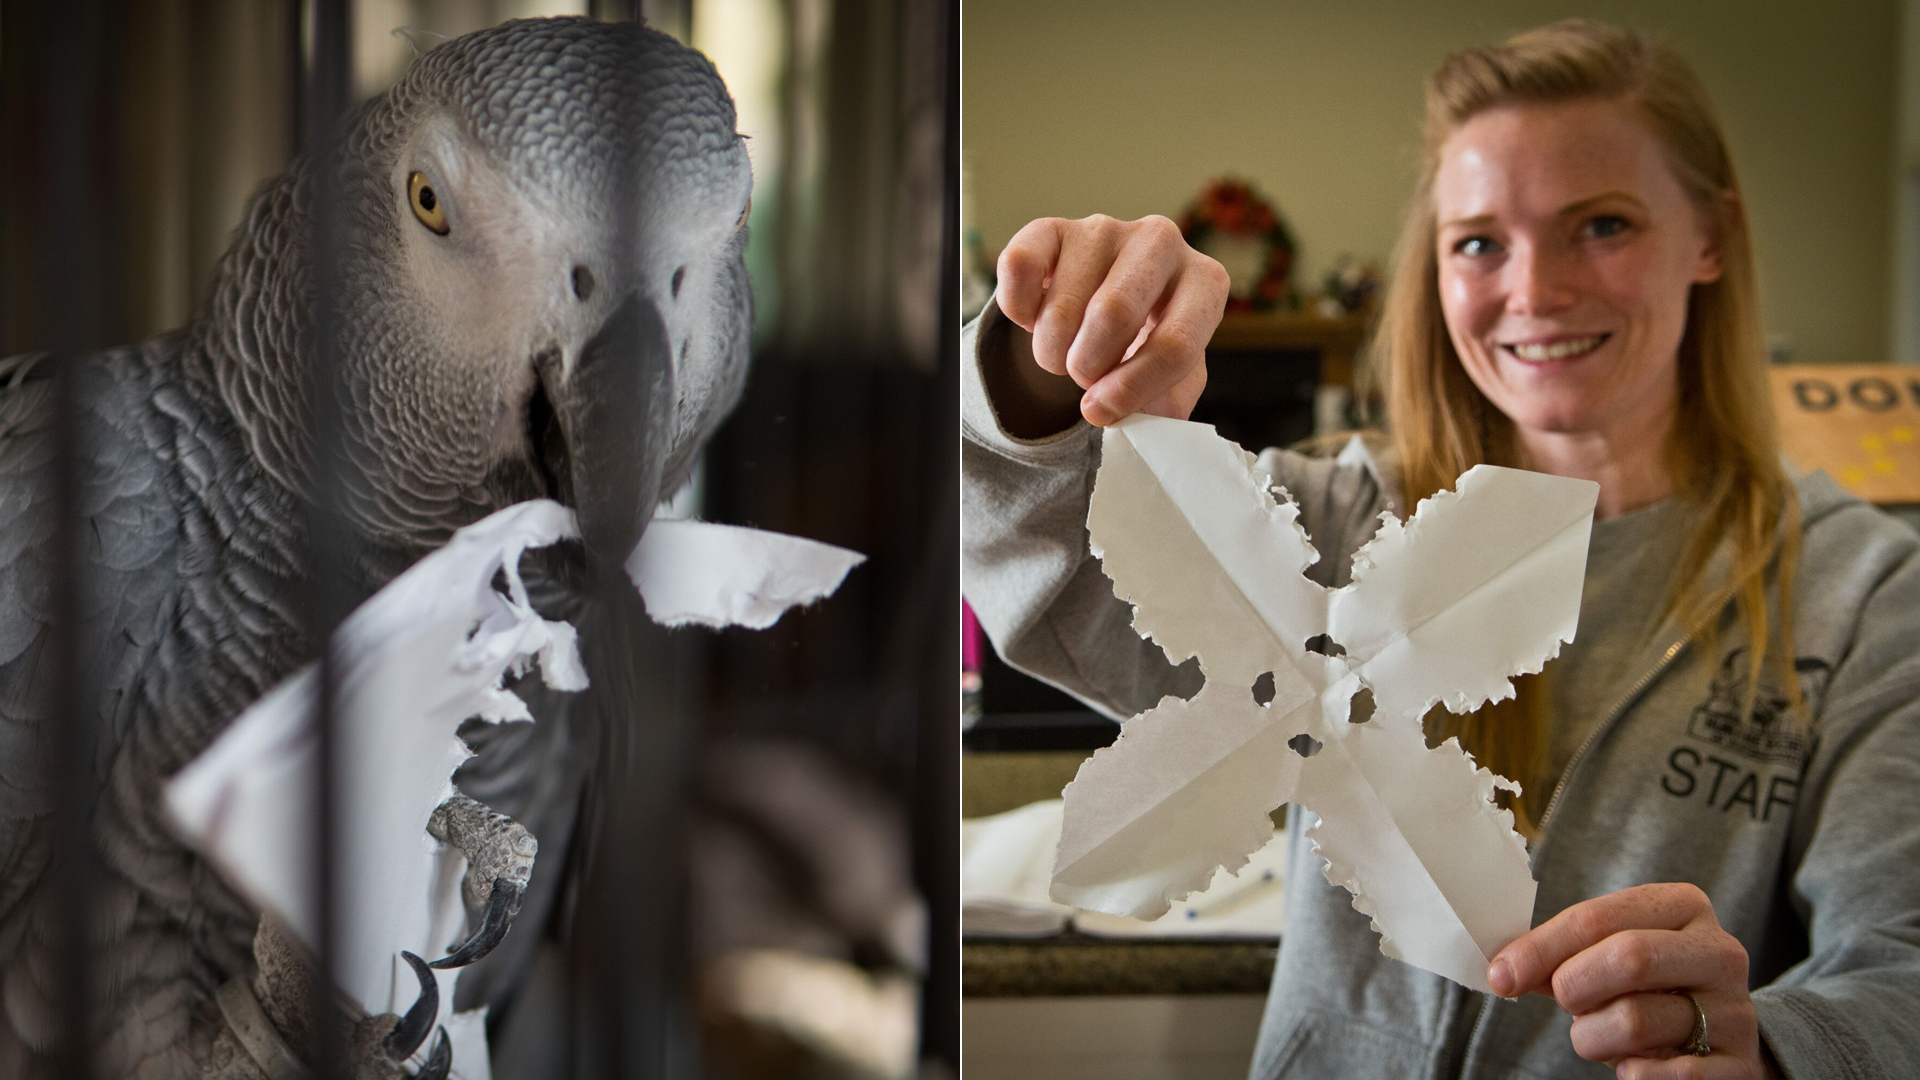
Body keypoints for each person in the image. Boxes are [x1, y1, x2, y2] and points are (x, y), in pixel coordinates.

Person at [961, 19, 1920, 1080]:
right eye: (1478, 241)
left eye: (1601, 224)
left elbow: (1903, 965)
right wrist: (1036, 360)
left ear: (1711, 239)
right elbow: (1039, 551)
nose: (1537, 290)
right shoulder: (1337, 532)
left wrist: (1776, 1050)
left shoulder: (1859, 593)